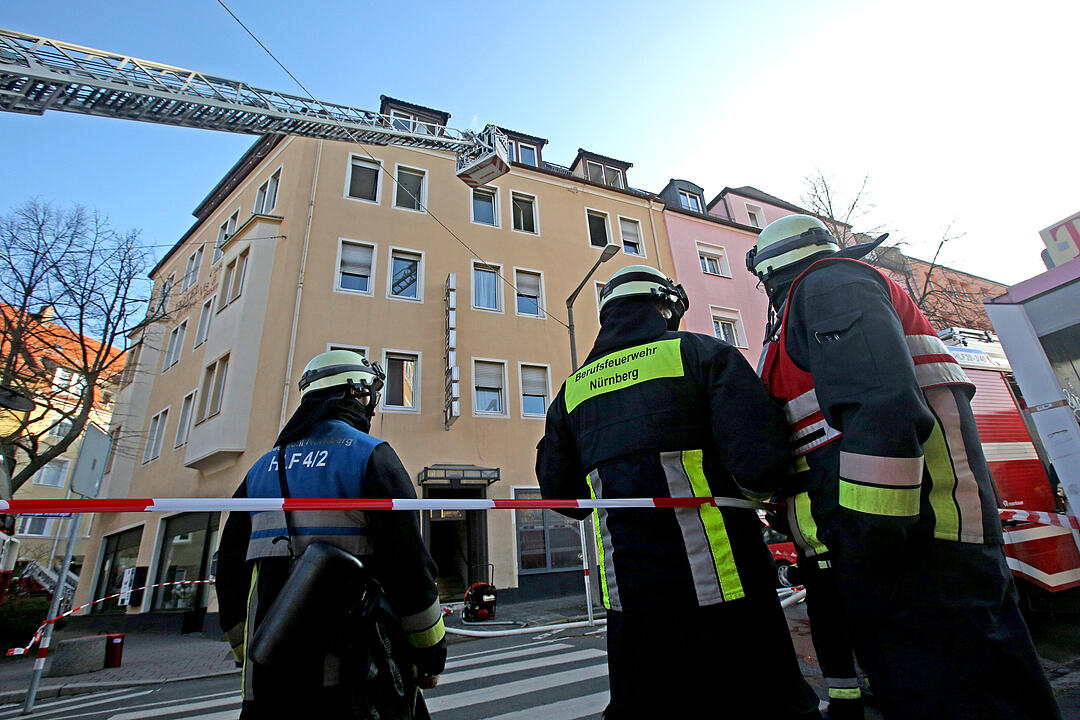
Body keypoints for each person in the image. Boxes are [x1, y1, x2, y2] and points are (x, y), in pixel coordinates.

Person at [747, 214, 1060, 719]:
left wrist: (868, 542)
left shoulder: (830, 287)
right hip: (909, 545)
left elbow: (882, 410)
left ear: (768, 272)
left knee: (959, 698)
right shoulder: (820, 298)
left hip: (919, 547)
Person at [536, 265, 822, 719]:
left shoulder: (573, 391)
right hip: (727, 588)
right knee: (765, 703)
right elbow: (760, 464)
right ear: (666, 307)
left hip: (631, 602)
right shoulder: (703, 354)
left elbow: (561, 496)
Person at [216, 349, 445, 719]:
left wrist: (247, 649)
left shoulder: (261, 469)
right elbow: (409, 567)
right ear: (356, 394)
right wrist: (430, 654)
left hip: (267, 685)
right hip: (354, 678)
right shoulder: (371, 457)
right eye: (370, 396)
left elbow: (229, 570)